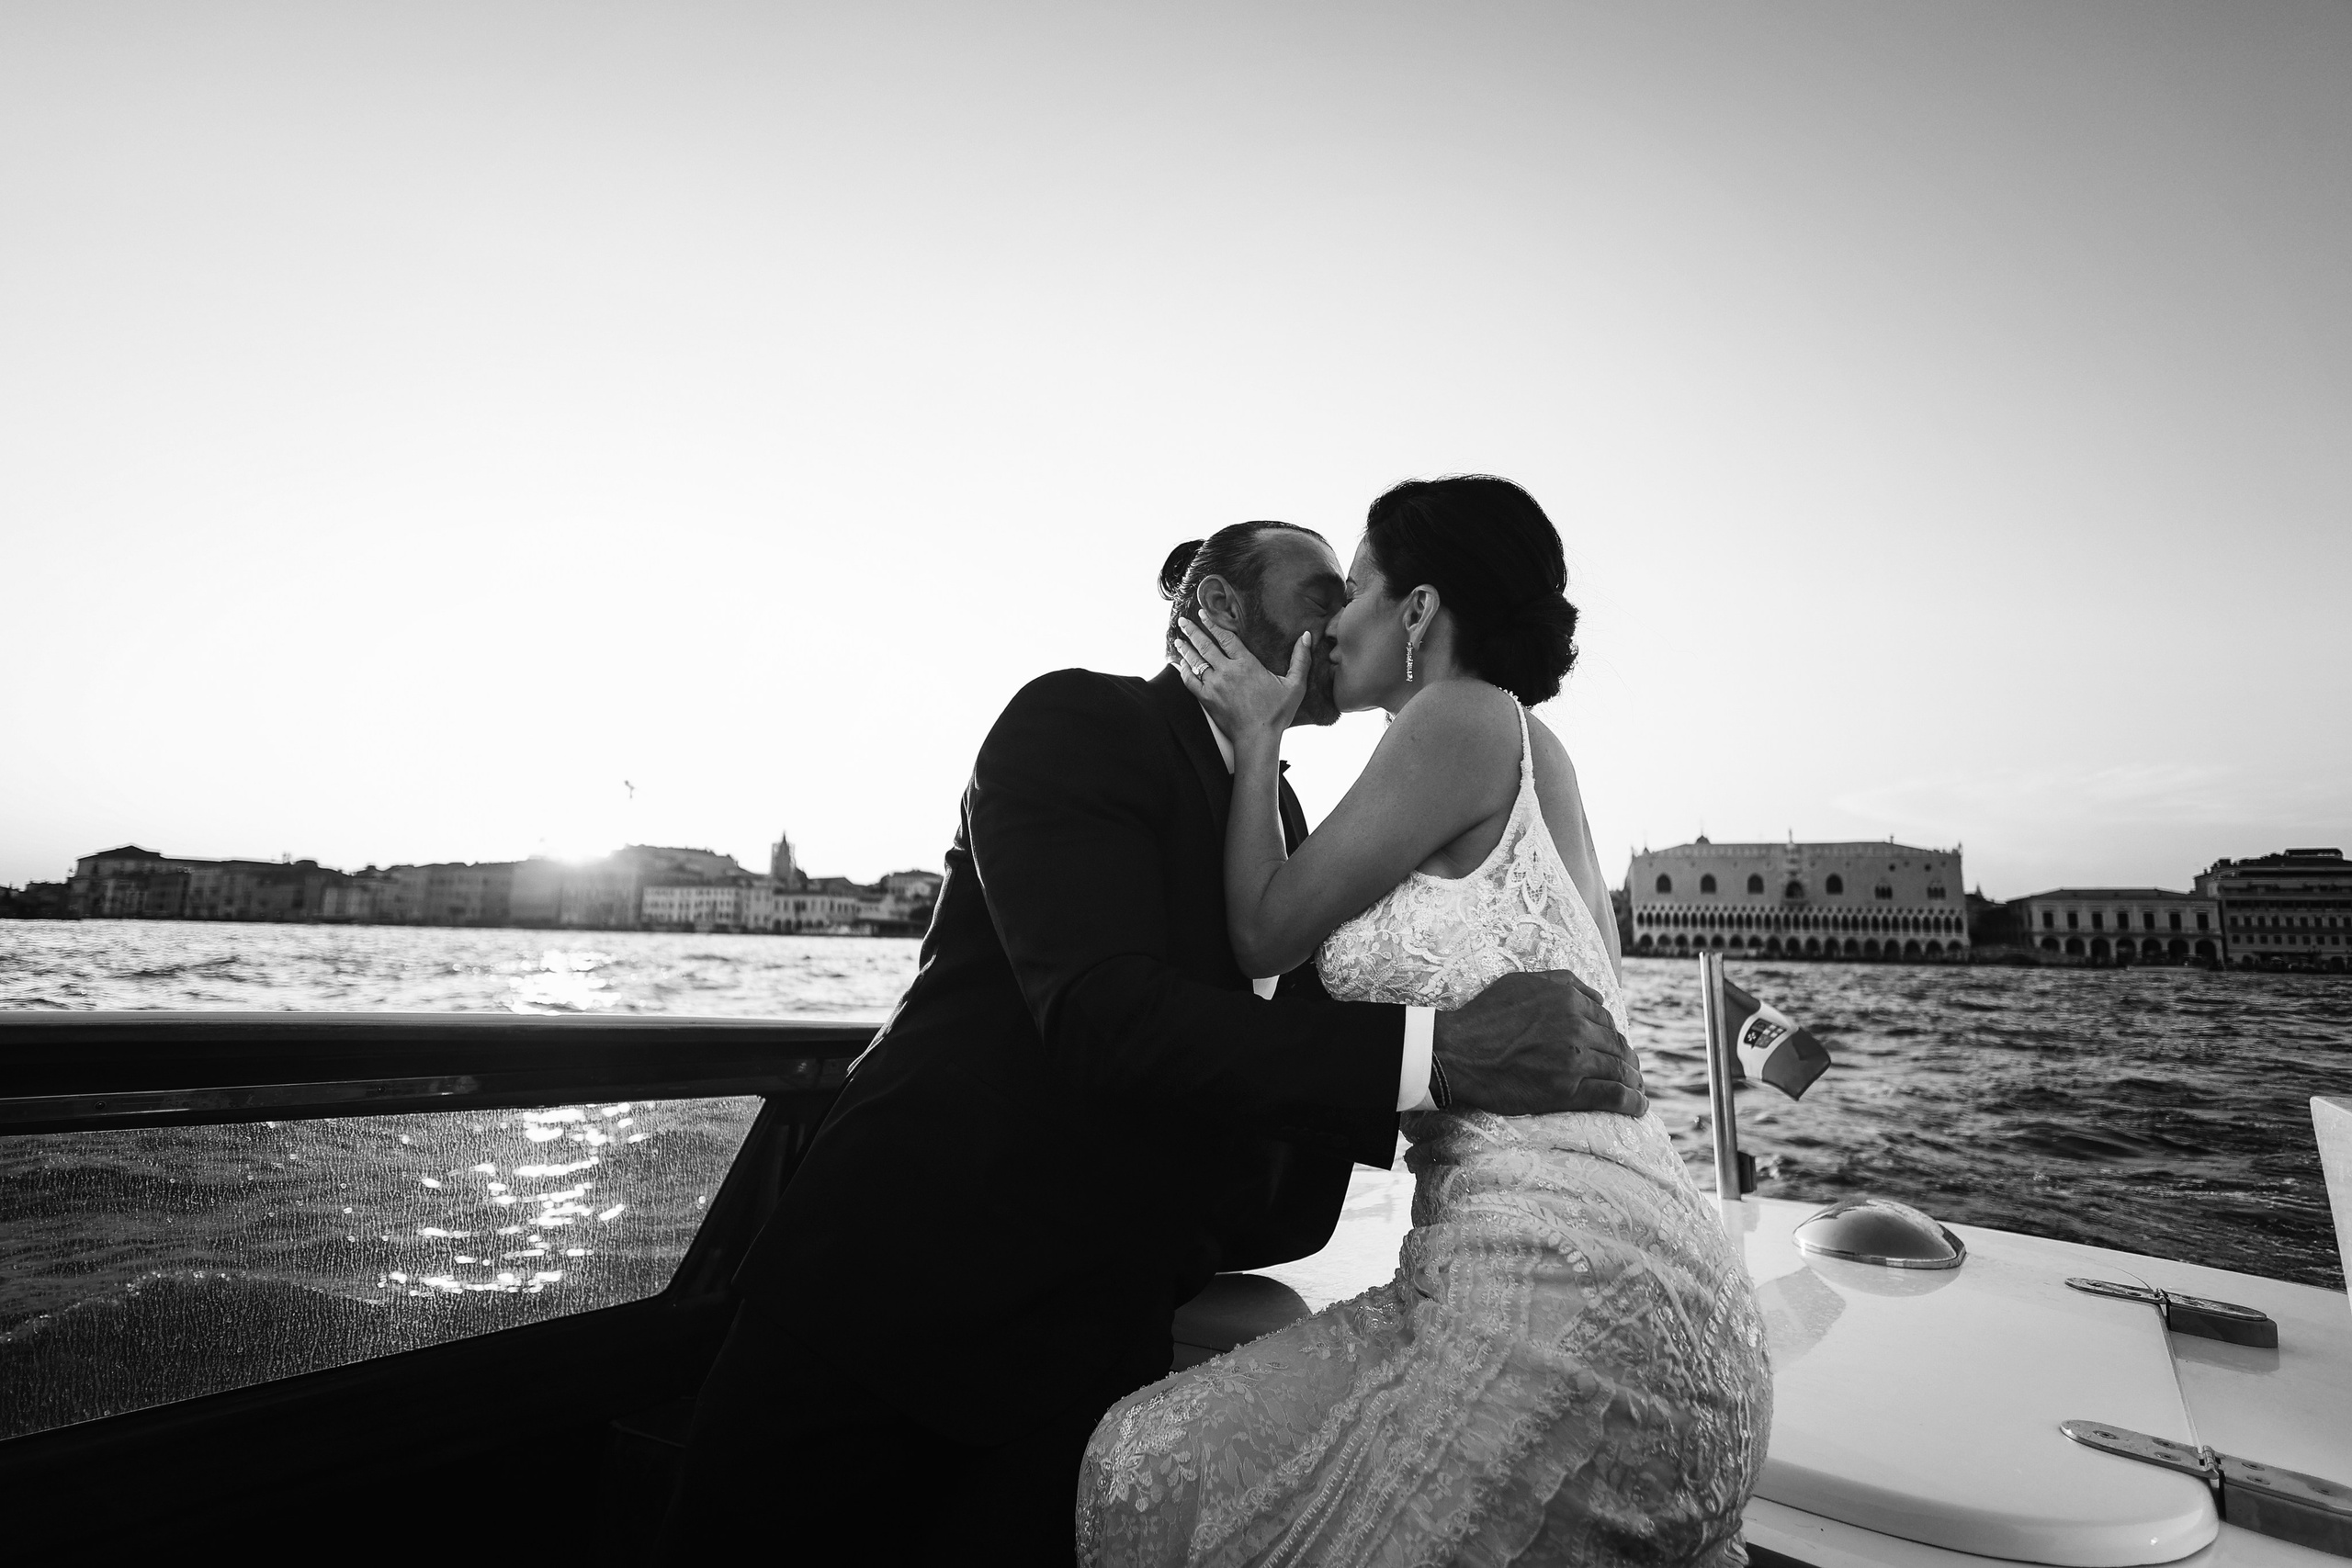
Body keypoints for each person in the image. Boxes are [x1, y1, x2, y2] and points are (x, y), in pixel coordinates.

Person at [654, 516, 1648, 1564]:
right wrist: (1432, 1057)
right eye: (1321, 595)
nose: (1343, 620)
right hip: (896, 1302)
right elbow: (1102, 1014)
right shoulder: (1077, 721)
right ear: (1219, 609)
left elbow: (1280, 1055)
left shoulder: (1290, 823)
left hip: (1092, 1350)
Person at [1078, 476, 1771, 1567]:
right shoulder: (1532, 755)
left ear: (1415, 613)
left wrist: (1256, 735)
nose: (1331, 622)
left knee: (1136, 1462)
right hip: (1648, 1278)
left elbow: (1264, 934)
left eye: (1352, 588)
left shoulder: (1457, 716)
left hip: (1557, 1296)